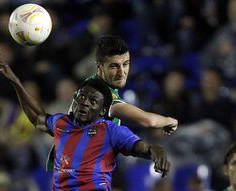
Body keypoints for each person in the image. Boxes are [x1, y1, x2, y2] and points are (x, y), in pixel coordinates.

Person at [0, 51, 170, 191]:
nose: (85, 103)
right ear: (74, 100)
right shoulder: (61, 124)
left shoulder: (109, 131)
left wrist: (158, 152)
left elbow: (143, 147)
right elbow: (36, 117)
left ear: (101, 112)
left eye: (93, 101)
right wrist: (15, 81)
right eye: (82, 97)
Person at [47, 35, 178, 170]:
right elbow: (148, 121)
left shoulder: (89, 83)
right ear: (99, 67)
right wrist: (170, 121)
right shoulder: (102, 96)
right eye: (114, 66)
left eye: (125, 64)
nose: (121, 72)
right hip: (78, 172)